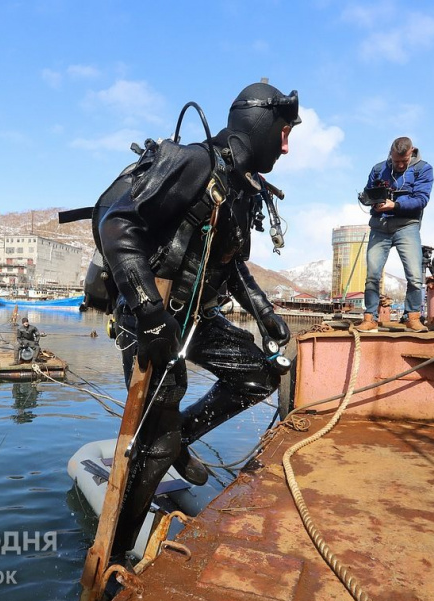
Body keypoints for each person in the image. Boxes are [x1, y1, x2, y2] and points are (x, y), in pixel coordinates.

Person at [99, 81, 299, 558]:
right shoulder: (195, 163)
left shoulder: (243, 188)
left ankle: (177, 440)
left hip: (195, 316)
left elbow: (228, 264)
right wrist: (148, 314)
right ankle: (117, 554)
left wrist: (265, 312)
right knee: (155, 438)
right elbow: (115, 221)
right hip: (149, 314)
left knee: (259, 376)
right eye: (285, 132)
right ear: (263, 124)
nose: (287, 146)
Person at [355, 137, 434, 333]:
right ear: (390, 153)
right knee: (372, 275)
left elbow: (422, 199)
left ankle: (412, 316)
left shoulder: (423, 169)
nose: (399, 165)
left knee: (415, 276)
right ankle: (370, 318)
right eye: (396, 160)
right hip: (379, 226)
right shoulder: (378, 169)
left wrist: (395, 205)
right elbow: (368, 192)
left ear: (411, 152)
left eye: (403, 161)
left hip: (407, 226)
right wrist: (369, 200)